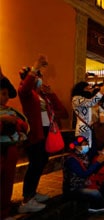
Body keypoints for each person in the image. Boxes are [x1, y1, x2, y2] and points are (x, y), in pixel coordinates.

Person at [18, 55, 68, 213]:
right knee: (35, 164)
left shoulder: (43, 96)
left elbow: (63, 112)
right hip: (35, 134)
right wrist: (35, 67)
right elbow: (25, 88)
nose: (40, 79)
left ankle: (32, 193)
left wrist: (52, 94)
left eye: (40, 76)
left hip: (47, 133)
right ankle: (26, 200)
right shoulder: (26, 93)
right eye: (37, 76)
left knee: (41, 162)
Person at [63, 136, 104, 213]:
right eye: (84, 144)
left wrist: (102, 159)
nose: (86, 146)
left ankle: (101, 203)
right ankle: (101, 205)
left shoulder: (84, 156)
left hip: (84, 184)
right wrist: (98, 162)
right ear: (77, 147)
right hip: (73, 189)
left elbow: (92, 170)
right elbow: (83, 174)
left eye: (87, 144)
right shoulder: (71, 159)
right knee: (95, 192)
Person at [0, 72, 29, 219]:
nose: (6, 97)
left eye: (6, 94)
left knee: (7, 181)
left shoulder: (11, 110)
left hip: (11, 148)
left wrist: (16, 123)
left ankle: (4, 211)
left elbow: (24, 125)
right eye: (2, 94)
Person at [71, 81, 104, 156]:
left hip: (89, 127)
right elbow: (91, 102)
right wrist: (101, 92)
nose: (89, 91)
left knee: (92, 150)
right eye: (87, 89)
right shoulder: (76, 99)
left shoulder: (83, 98)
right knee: (84, 150)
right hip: (82, 128)